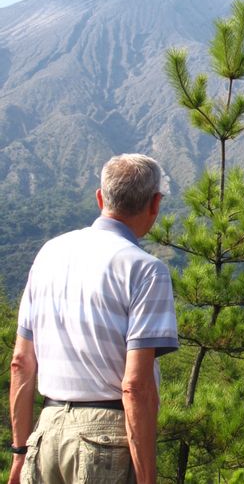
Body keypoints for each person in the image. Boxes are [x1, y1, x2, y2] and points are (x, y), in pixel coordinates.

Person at [9, 153, 179, 484]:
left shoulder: (48, 254)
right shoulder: (145, 269)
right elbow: (134, 386)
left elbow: (20, 363)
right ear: (155, 203)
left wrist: (19, 452)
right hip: (105, 438)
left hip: (46, 431)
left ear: (101, 198)